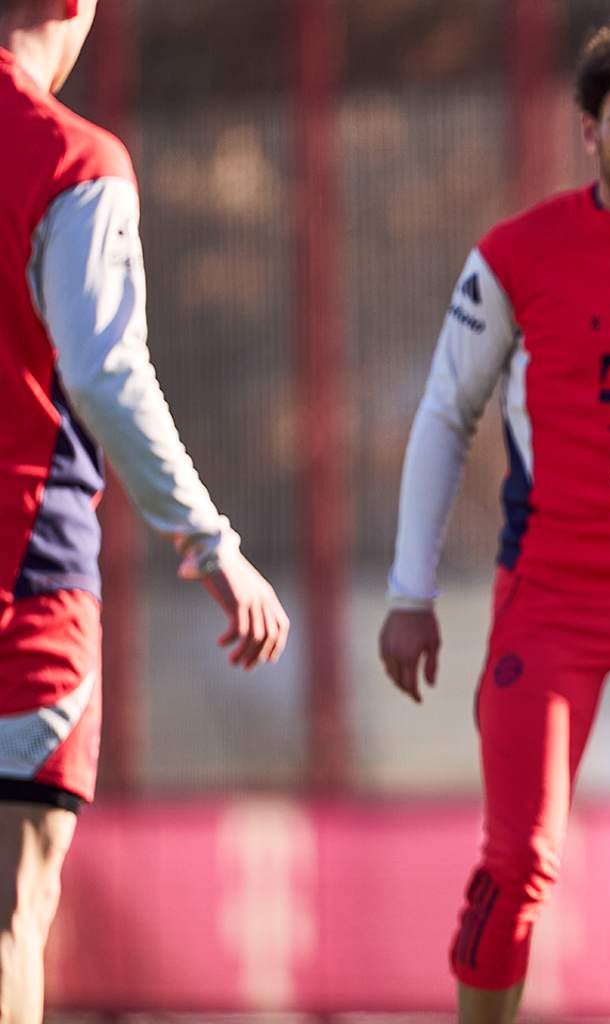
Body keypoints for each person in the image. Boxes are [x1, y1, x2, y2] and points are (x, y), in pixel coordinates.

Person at [376, 17, 610, 1024]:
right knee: (517, 859)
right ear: (587, 129)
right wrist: (410, 590)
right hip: (551, 597)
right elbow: (444, 414)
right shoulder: (515, 254)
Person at [1, 0, 291, 1018]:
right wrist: (213, 548)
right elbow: (105, 372)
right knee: (11, 909)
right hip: (23, 578)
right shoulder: (72, 159)